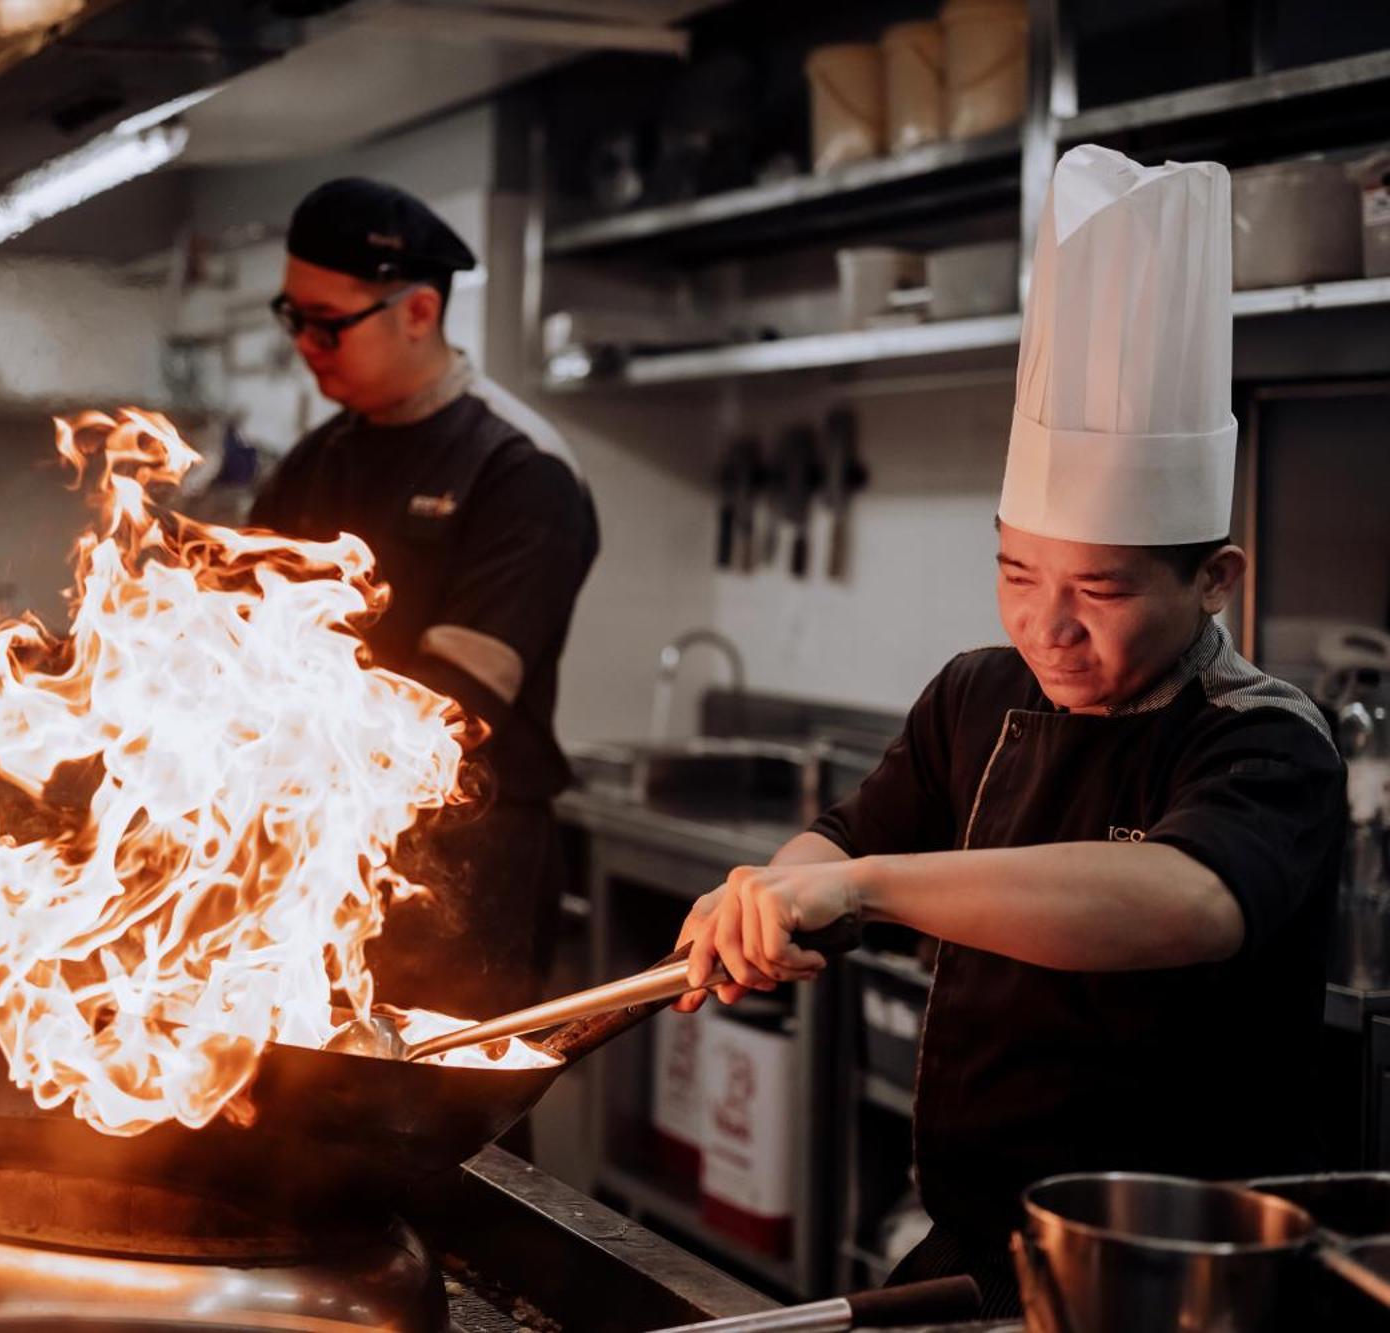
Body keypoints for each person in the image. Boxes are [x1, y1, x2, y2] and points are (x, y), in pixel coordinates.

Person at [673, 146, 1346, 1315]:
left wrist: (866, 889)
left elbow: (1183, 901)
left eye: (1101, 590)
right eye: (1015, 572)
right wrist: (775, 892)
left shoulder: (1263, 738)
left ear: (1214, 580)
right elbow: (841, 836)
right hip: (983, 1237)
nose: (1048, 628)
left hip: (1176, 1269)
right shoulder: (978, 694)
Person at [249, 177, 599, 1020]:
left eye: (328, 322)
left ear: (418, 311)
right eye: (293, 317)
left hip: (460, 869)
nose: (306, 343)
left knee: (443, 1125)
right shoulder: (313, 460)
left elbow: (456, 705)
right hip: (316, 847)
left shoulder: (519, 470)